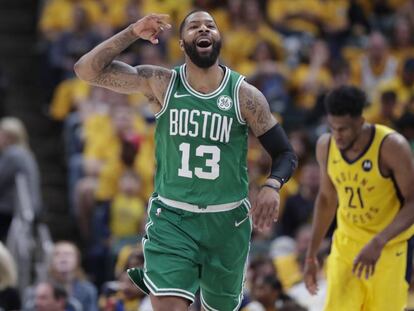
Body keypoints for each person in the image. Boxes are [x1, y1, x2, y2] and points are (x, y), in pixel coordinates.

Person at [74, 10, 297, 311]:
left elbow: (285, 153)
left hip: (227, 223)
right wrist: (132, 32)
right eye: (194, 26)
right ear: (181, 43)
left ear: (219, 38)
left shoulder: (245, 96)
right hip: (173, 219)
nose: (203, 29)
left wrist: (271, 185)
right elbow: (86, 70)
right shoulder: (161, 83)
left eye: (210, 26)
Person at [304, 85, 414, 310]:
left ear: (361, 121)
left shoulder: (391, 147)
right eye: (332, 127)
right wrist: (311, 255)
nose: (337, 135)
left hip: (389, 249)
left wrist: (378, 241)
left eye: (343, 129)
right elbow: (326, 199)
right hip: (347, 246)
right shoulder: (326, 145)